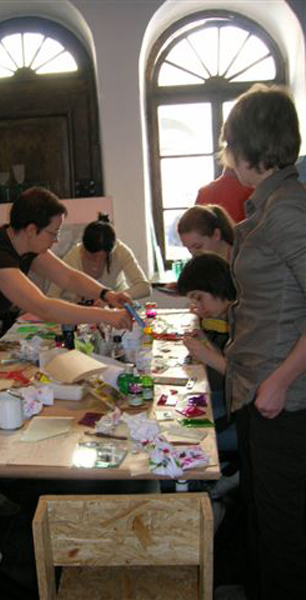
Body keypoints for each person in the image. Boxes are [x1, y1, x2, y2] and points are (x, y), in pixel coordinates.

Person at [223, 84, 306, 600]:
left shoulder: (287, 209)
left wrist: (280, 379)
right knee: (263, 519)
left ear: (247, 145)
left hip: (282, 397)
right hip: (259, 388)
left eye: (230, 142)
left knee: (282, 534)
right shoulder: (272, 203)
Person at [0, 188, 133, 377]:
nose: (56, 240)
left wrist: (108, 295)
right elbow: (43, 307)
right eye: (54, 233)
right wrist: (106, 316)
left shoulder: (24, 244)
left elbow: (68, 276)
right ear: (32, 230)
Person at [177, 253, 237, 455]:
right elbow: (231, 361)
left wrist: (207, 355)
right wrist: (204, 339)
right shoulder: (233, 314)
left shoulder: (245, 319)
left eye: (199, 298)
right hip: (234, 405)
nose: (198, 307)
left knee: (182, 437)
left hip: (246, 420)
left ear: (217, 286)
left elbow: (245, 379)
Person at [47, 213, 151, 303]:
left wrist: (114, 298)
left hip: (114, 311)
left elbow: (144, 287)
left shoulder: (120, 251)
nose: (98, 262)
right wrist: (75, 306)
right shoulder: (73, 257)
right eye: (93, 257)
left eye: (104, 258)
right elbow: (52, 296)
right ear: (84, 248)